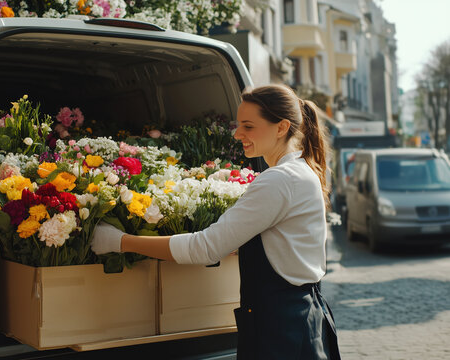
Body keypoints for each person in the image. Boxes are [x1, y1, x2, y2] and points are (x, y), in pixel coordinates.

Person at [91, 84, 341, 360]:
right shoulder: (300, 172)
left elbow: (205, 247)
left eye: (248, 126)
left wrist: (119, 241)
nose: (237, 134)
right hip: (301, 320)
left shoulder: (280, 179)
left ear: (281, 127)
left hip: (282, 333)